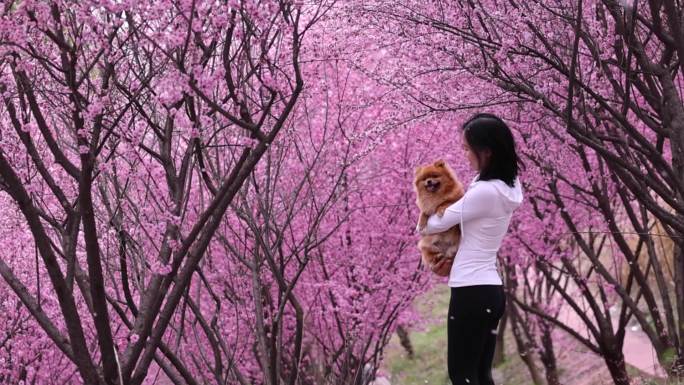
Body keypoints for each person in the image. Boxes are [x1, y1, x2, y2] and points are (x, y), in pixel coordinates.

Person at [416, 112, 524, 385]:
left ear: (485, 152)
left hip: (471, 292)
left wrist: (426, 207)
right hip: (489, 290)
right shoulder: (509, 185)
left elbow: (433, 225)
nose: (464, 155)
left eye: (467, 149)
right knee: (480, 375)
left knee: (462, 375)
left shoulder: (485, 191)